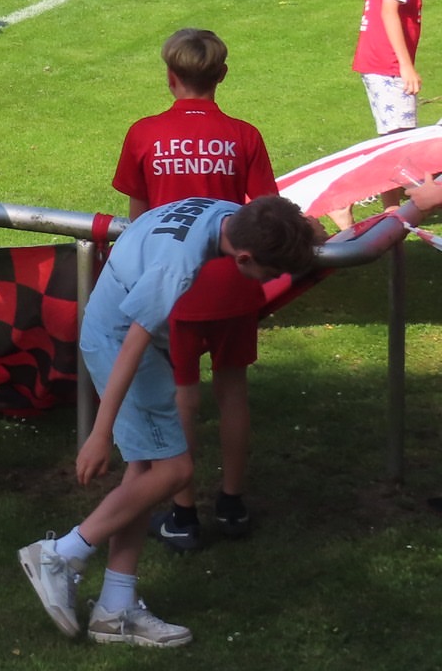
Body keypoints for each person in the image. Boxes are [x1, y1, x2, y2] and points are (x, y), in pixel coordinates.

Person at [18, 196, 319, 648]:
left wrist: (307, 234)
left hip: (117, 330)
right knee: (175, 470)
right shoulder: (175, 267)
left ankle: (115, 608)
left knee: (146, 473)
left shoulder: (227, 213)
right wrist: (100, 433)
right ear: (244, 257)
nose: (273, 281)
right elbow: (131, 348)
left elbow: (280, 221)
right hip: (119, 343)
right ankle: (62, 554)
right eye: (271, 272)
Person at [112, 29, 278, 551]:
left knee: (180, 393)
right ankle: (231, 503)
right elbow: (266, 212)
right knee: (232, 390)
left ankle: (183, 512)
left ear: (169, 76)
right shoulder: (245, 135)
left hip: (172, 285)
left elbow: (137, 220)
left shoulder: (144, 134)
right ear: (222, 75)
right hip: (232, 281)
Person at [341, 0, 442, 230]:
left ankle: (392, 211)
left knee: (393, 140)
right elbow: (389, 11)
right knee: (399, 144)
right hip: (386, 63)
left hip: (377, 59)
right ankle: (347, 200)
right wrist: (406, 65)